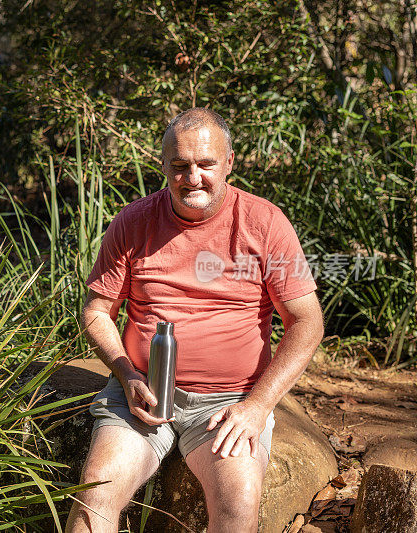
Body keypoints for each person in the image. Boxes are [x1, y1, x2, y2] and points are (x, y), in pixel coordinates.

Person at [65, 108, 324, 533]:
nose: (193, 177)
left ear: (229, 163)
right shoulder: (133, 222)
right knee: (95, 494)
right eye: (180, 166)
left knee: (238, 505)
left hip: (229, 402)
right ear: (163, 165)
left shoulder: (265, 223)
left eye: (206, 164)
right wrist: (126, 375)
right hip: (142, 393)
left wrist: (257, 407)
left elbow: (306, 322)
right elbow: (96, 312)